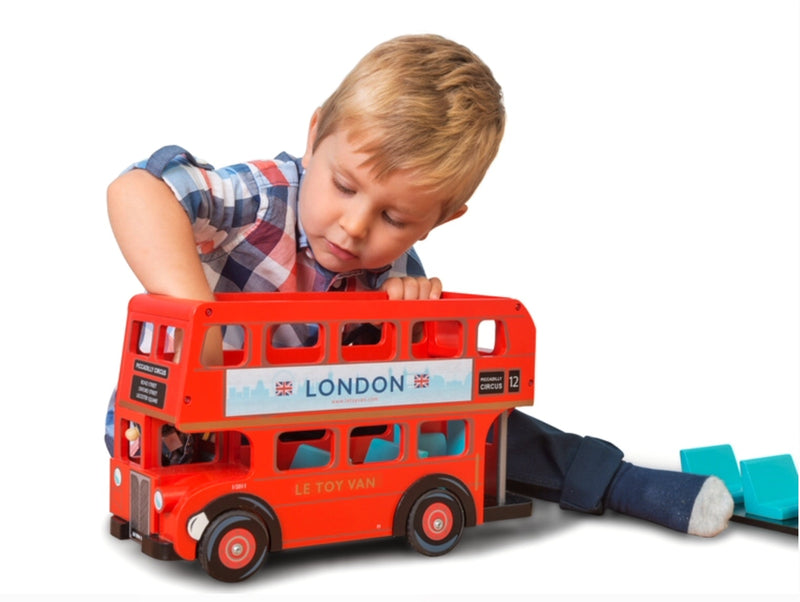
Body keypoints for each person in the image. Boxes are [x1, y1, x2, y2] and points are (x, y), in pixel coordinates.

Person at [105, 34, 733, 537]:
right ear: (315, 133)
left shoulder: (398, 272)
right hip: (199, 434)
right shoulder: (264, 195)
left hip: (321, 431)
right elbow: (140, 189)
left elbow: (403, 394)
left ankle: (619, 481)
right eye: (345, 186)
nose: (353, 227)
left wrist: (416, 332)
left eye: (395, 218)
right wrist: (199, 322)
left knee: (488, 422)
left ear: (443, 218)